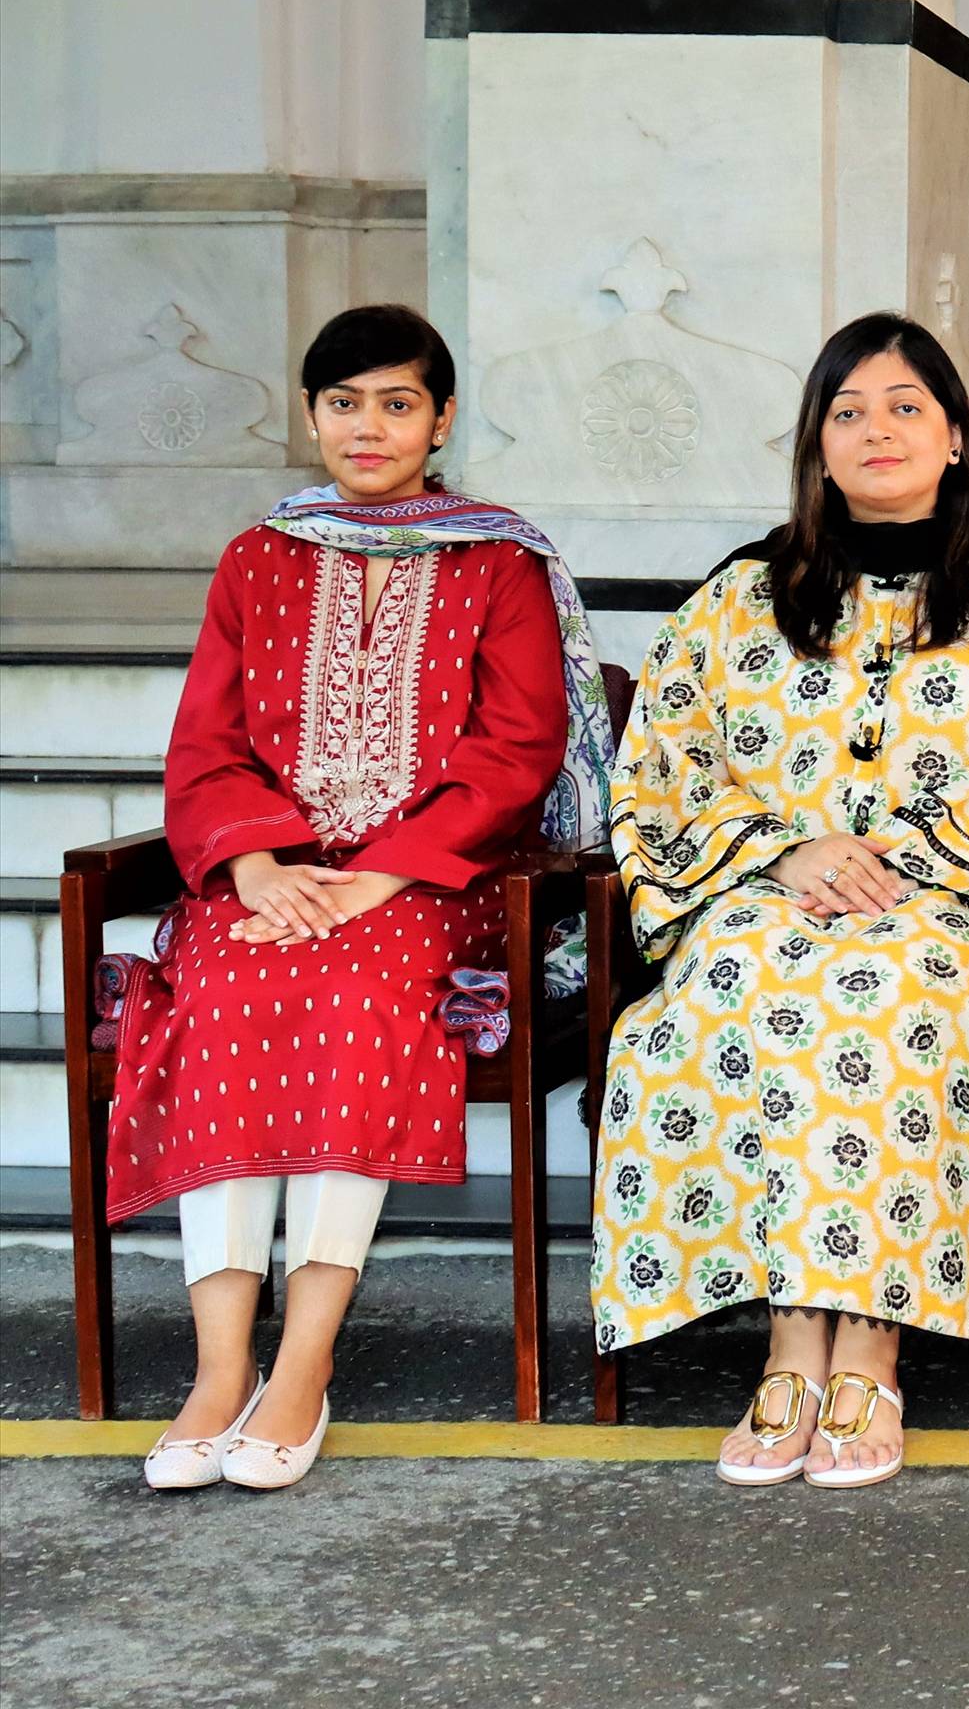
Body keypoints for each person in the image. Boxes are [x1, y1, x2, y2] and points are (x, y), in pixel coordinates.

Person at [591, 313, 969, 1489]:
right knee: (733, 982)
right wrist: (785, 852)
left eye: (903, 408)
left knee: (881, 995)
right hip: (760, 896)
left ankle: (866, 1350)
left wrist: (904, 865)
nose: (875, 431)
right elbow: (658, 776)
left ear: (953, 437)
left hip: (953, 914)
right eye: (848, 412)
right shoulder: (742, 596)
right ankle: (791, 1343)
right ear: (816, 444)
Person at [112, 304, 607, 1493]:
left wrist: (382, 872)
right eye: (345, 403)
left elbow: (517, 748)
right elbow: (208, 744)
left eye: (397, 403)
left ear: (441, 420)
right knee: (226, 977)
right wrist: (252, 865)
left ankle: (305, 1366)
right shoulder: (259, 556)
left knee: (353, 979)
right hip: (273, 876)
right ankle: (220, 1368)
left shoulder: (498, 560)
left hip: (439, 882)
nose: (369, 427)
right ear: (312, 415)